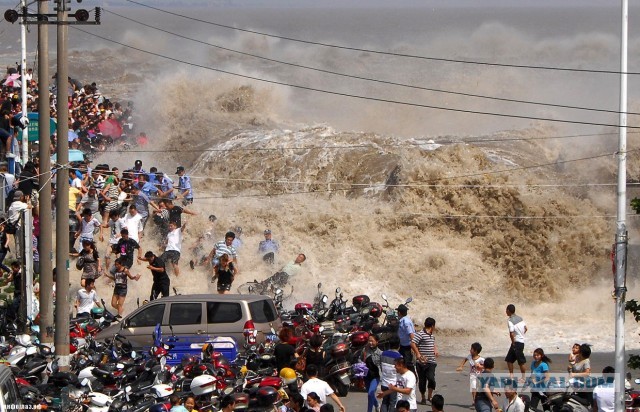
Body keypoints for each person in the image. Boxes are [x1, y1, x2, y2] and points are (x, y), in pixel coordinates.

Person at [413, 317, 438, 405]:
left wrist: (435, 349)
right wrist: (418, 354)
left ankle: (429, 396)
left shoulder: (432, 335)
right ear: (432, 326)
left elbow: (433, 343)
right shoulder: (420, 334)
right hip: (421, 362)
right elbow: (412, 343)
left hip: (431, 361)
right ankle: (423, 396)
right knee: (422, 381)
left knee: (431, 379)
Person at [379, 336, 403, 412]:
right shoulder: (399, 357)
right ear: (398, 345)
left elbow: (381, 367)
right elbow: (400, 371)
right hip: (393, 384)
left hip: (384, 383)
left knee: (384, 402)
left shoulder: (383, 354)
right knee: (393, 403)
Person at [505, 304, 527, 380]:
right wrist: (521, 335)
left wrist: (513, 342)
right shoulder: (520, 318)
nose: (506, 312)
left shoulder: (510, 321)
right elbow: (526, 328)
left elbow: (511, 333)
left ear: (508, 310)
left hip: (516, 343)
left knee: (521, 362)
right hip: (521, 342)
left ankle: (523, 377)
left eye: (506, 310)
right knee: (509, 359)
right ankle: (511, 376)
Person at [362, 334, 382, 412]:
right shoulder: (365, 350)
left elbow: (382, 366)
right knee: (371, 394)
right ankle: (377, 405)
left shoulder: (380, 353)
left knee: (370, 393)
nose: (370, 342)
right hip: (366, 376)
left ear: (377, 342)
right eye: (369, 341)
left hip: (375, 376)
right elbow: (360, 359)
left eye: (372, 341)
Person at [397, 304, 416, 371]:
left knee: (408, 364)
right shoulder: (402, 320)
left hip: (407, 347)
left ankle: (414, 378)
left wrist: (414, 348)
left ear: (399, 312)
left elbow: (411, 334)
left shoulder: (406, 322)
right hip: (403, 346)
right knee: (401, 362)